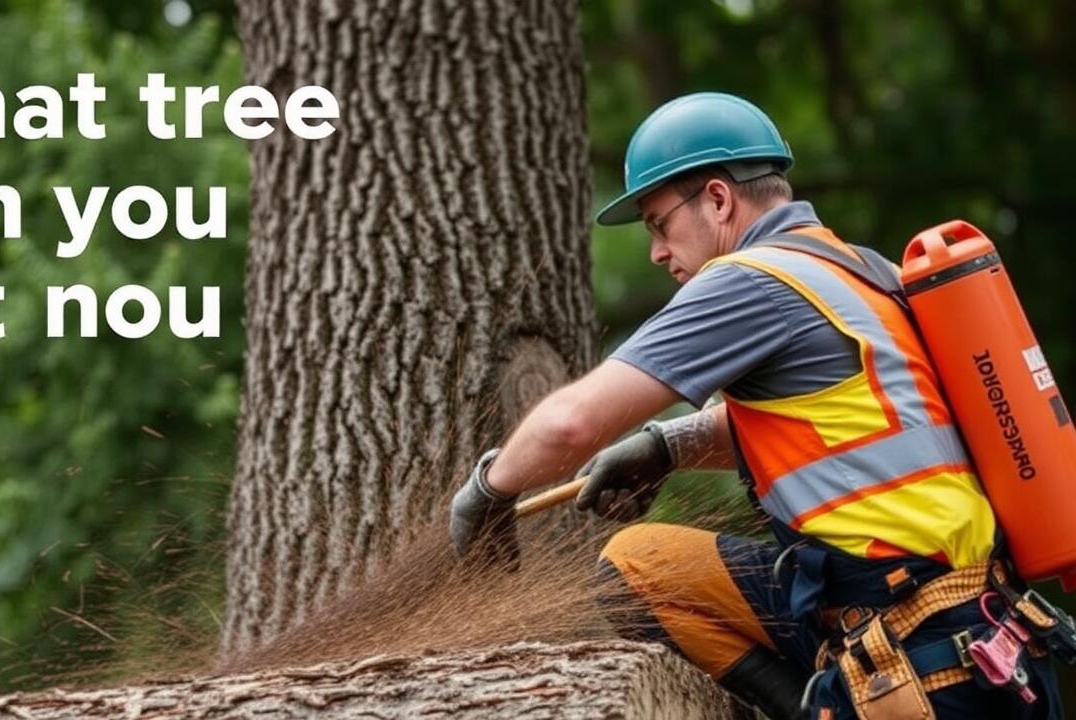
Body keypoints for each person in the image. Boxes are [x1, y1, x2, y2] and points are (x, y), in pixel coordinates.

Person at [446, 92, 1062, 719]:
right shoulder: (864, 273)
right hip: (995, 639)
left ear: (718, 199)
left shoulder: (750, 281)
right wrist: (668, 447)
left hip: (921, 663)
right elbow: (839, 425)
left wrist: (490, 490)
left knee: (634, 564)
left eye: (660, 224)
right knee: (642, 565)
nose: (658, 251)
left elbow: (569, 423)